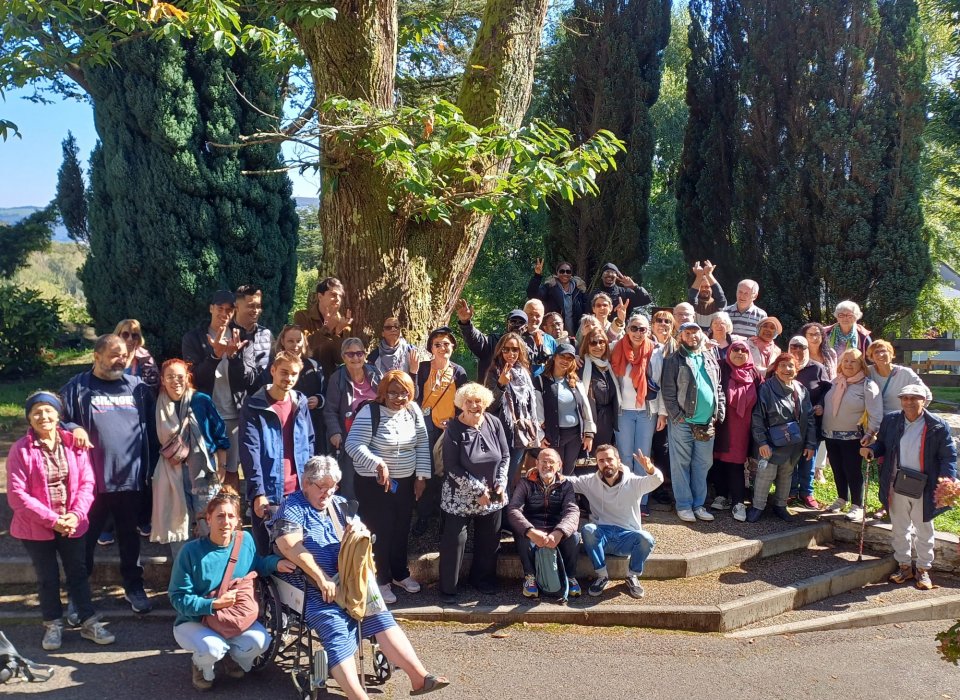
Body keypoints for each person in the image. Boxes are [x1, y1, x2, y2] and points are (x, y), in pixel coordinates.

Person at [272, 457, 449, 698]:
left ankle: (420, 677)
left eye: (332, 486)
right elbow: (289, 545)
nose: (327, 493)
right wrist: (322, 577)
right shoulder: (293, 507)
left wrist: (360, 534)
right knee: (334, 625)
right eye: (321, 487)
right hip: (312, 585)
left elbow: (363, 536)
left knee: (380, 614)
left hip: (350, 580)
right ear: (306, 482)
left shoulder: (340, 504)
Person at [7, 391, 116, 651]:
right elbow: (17, 495)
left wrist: (76, 515)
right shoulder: (20, 450)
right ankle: (53, 624)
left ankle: (88, 621)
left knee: (78, 573)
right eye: (36, 412)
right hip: (35, 527)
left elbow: (87, 483)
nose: (43, 416)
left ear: (58, 415)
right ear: (29, 419)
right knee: (47, 577)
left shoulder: (74, 444)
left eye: (48, 411)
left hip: (72, 523)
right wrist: (54, 520)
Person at [60, 334, 157, 613]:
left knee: (129, 539)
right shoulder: (77, 387)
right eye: (114, 354)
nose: (122, 359)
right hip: (91, 483)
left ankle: (134, 587)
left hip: (130, 480)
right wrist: (71, 427)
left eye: (125, 354)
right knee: (85, 543)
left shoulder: (138, 388)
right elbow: (55, 416)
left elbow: (152, 429)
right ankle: (78, 596)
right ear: (97, 356)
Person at [168, 487, 296, 691]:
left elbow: (257, 565)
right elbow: (177, 597)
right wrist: (212, 605)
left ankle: (231, 656)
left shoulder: (245, 541)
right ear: (208, 519)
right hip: (195, 620)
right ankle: (202, 666)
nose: (225, 522)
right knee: (212, 648)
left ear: (237, 520)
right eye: (219, 516)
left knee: (261, 641)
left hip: (231, 617)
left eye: (230, 516)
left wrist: (275, 564)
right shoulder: (190, 552)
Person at [345, 370, 431, 605]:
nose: (399, 398)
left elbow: (422, 443)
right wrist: (377, 463)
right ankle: (380, 579)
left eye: (404, 392)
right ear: (383, 392)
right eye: (393, 392)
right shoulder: (370, 412)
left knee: (401, 526)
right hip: (373, 483)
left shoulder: (413, 411)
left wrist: (421, 477)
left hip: (404, 481)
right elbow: (352, 445)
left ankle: (400, 573)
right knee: (380, 530)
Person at [862, 385, 958, 591]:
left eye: (914, 398)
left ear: (924, 400)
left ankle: (923, 568)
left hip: (925, 484)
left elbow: (948, 456)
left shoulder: (937, 426)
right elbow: (884, 445)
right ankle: (904, 565)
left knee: (924, 528)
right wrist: (871, 449)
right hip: (896, 482)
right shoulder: (892, 419)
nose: (908, 402)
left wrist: (947, 481)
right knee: (899, 526)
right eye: (904, 398)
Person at [151, 359, 230, 558]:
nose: (175, 381)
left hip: (203, 471)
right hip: (171, 471)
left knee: (209, 521)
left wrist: (222, 465)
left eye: (180, 376)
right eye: (170, 377)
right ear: (162, 380)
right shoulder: (157, 405)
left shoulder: (200, 400)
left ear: (188, 377)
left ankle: (211, 567)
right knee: (177, 524)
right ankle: (184, 570)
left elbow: (220, 434)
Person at [438, 384, 510, 600]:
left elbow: (505, 456)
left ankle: (483, 580)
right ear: (461, 404)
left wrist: (500, 482)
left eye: (478, 401)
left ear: (485, 403)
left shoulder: (494, 422)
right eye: (468, 401)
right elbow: (451, 466)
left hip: (492, 495)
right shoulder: (453, 428)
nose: (474, 406)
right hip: (459, 496)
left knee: (489, 539)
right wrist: (477, 489)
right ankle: (448, 587)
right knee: (455, 540)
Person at [240, 350, 315, 554]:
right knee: (267, 553)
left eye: (294, 373)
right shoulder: (254, 404)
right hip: (270, 490)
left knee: (300, 550)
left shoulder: (300, 402)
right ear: (273, 370)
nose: (288, 378)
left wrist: (311, 482)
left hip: (300, 488)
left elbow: (309, 442)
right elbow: (250, 451)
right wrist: (258, 493)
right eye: (284, 372)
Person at [568, 444, 663, 598]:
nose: (606, 464)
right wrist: (543, 472)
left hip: (627, 538)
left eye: (610, 459)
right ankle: (602, 576)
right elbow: (567, 481)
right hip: (602, 537)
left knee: (647, 538)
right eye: (601, 461)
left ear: (618, 461)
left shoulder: (633, 482)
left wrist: (650, 468)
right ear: (597, 463)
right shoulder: (590, 482)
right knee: (587, 530)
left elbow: (656, 480)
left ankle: (632, 575)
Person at [182, 290, 253, 494]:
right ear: (211, 308)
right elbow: (195, 378)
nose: (224, 314)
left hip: (234, 416)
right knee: (206, 471)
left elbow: (247, 379)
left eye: (229, 310)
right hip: (204, 416)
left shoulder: (242, 337)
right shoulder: (194, 338)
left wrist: (233, 357)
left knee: (231, 472)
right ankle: (206, 522)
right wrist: (215, 355)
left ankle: (230, 520)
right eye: (220, 309)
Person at [661, 322, 726, 523]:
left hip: (707, 422)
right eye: (687, 333)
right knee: (681, 464)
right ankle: (684, 505)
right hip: (683, 422)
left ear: (702, 335)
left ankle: (699, 505)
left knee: (703, 464)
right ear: (680, 336)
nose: (692, 337)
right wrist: (678, 417)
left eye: (696, 332)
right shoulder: (673, 360)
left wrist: (719, 411)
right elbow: (668, 392)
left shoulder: (710, 357)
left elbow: (718, 387)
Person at [747, 354, 817, 522]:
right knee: (766, 475)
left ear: (797, 369)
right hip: (771, 442)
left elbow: (809, 418)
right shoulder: (766, 388)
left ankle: (780, 506)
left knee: (787, 475)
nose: (787, 369)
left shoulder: (801, 389)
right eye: (783, 365)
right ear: (776, 368)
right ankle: (758, 507)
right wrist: (762, 442)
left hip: (794, 443)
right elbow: (757, 417)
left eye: (791, 366)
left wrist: (810, 443)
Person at [412, 327, 469, 535]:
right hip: (426, 428)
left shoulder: (458, 371)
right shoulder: (424, 368)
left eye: (446, 343)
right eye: (437, 344)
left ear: (453, 347)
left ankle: (447, 515)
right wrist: (413, 371)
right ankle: (424, 515)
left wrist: (455, 422)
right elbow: (414, 397)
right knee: (425, 471)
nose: (442, 347)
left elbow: (463, 401)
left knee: (448, 472)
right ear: (431, 348)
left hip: (449, 430)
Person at [505, 448, 582, 599]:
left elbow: (572, 511)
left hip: (556, 529)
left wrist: (559, 532)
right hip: (533, 528)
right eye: (543, 461)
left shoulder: (566, 485)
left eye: (551, 462)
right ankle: (530, 577)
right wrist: (531, 531)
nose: (547, 465)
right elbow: (513, 510)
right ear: (537, 463)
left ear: (559, 465)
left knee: (574, 536)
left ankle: (570, 576)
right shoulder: (525, 483)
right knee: (521, 533)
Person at [610, 313, 665, 515]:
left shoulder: (656, 352)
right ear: (627, 329)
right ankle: (625, 497)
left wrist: (662, 413)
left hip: (647, 412)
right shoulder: (615, 348)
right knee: (624, 455)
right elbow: (599, 340)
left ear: (648, 330)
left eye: (642, 329)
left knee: (643, 456)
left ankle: (641, 501)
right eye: (634, 328)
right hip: (623, 411)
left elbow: (661, 383)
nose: (638, 333)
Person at [821, 348, 883, 521]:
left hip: (853, 437)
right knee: (836, 468)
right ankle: (841, 498)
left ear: (861, 364)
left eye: (853, 361)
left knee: (852, 470)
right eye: (845, 361)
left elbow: (876, 413)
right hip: (830, 434)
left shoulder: (867, 385)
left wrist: (871, 433)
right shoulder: (835, 381)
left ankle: (857, 505)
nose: (848, 364)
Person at [323, 338, 383, 501]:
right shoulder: (337, 378)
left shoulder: (375, 373)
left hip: (377, 437)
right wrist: (335, 432)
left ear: (364, 355)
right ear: (343, 357)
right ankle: (350, 520)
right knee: (350, 484)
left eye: (359, 353)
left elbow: (385, 400)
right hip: (350, 438)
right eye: (350, 354)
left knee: (375, 479)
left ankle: (374, 517)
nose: (356, 358)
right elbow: (330, 411)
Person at [483, 332, 543, 487]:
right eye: (506, 349)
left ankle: (510, 509)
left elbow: (530, 405)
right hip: (501, 432)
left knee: (514, 475)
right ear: (499, 351)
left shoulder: (524, 372)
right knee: (502, 475)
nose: (511, 353)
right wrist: (501, 385)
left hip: (521, 431)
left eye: (515, 349)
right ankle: (500, 509)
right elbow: (489, 406)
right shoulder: (494, 372)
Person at [712, 340, 762, 522]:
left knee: (735, 463)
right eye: (735, 350)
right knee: (717, 460)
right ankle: (721, 495)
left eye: (743, 350)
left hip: (744, 428)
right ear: (729, 352)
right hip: (721, 424)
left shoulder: (754, 373)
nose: (739, 353)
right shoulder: (721, 368)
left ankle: (738, 502)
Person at [534, 343, 596, 475]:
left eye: (569, 358)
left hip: (575, 435)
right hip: (553, 435)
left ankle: (565, 495)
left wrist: (589, 433)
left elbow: (585, 407)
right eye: (563, 356)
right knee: (553, 471)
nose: (565, 361)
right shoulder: (540, 381)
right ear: (555, 357)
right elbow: (536, 410)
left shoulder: (575, 381)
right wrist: (539, 435)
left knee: (568, 471)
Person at [264, 325, 326, 453]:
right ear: (282, 341)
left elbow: (325, 392)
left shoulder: (314, 366)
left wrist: (319, 400)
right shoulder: (273, 366)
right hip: (283, 422)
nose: (295, 345)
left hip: (312, 423)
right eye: (290, 341)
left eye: (298, 341)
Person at [787, 336, 831, 509]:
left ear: (808, 349)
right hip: (787, 422)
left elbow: (828, 390)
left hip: (811, 422)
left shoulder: (817, 368)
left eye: (801, 347)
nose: (797, 350)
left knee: (808, 457)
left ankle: (807, 492)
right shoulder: (784, 365)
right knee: (790, 458)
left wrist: (821, 404)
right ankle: (790, 491)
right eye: (793, 347)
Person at [456, 301, 537, 380]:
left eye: (521, 322)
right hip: (490, 391)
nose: (516, 325)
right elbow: (475, 338)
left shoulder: (527, 350)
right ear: (507, 324)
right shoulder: (492, 342)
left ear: (526, 327)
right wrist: (465, 322)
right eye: (513, 321)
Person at [294, 276, 353, 379]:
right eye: (333, 295)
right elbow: (303, 349)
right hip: (305, 377)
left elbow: (340, 360)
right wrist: (327, 328)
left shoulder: (343, 324)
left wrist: (337, 332)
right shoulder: (302, 316)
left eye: (340, 296)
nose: (337, 299)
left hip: (330, 381)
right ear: (320, 296)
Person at [578, 328, 621, 448]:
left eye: (601, 342)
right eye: (593, 343)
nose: (598, 346)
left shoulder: (609, 365)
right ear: (587, 345)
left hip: (608, 420)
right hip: (590, 418)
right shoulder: (580, 365)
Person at [866, 340, 931, 414]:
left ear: (891, 354)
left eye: (883, 351)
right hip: (875, 419)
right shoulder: (868, 372)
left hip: (898, 419)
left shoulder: (905, 373)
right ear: (872, 357)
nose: (880, 354)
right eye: (876, 352)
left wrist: (912, 414)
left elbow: (927, 395)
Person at [527, 258, 589, 334]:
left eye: (568, 272)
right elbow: (532, 295)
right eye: (562, 271)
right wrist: (537, 275)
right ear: (557, 273)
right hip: (554, 333)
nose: (565, 274)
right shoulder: (550, 288)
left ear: (571, 274)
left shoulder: (579, 290)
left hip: (576, 334)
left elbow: (586, 310)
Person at [232, 284, 273, 376]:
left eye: (258, 306)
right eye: (251, 306)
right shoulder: (225, 333)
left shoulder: (266, 335)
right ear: (236, 307)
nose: (256, 310)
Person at [114, 319, 160, 392]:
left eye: (134, 335)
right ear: (117, 336)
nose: (130, 339)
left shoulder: (146, 359)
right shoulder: (108, 357)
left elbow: (153, 388)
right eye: (125, 335)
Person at [687, 260, 727, 331]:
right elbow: (691, 298)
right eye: (701, 287)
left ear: (712, 288)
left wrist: (709, 274)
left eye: (707, 286)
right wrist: (699, 277)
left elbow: (720, 296)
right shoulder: (693, 306)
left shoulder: (718, 305)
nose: (704, 289)